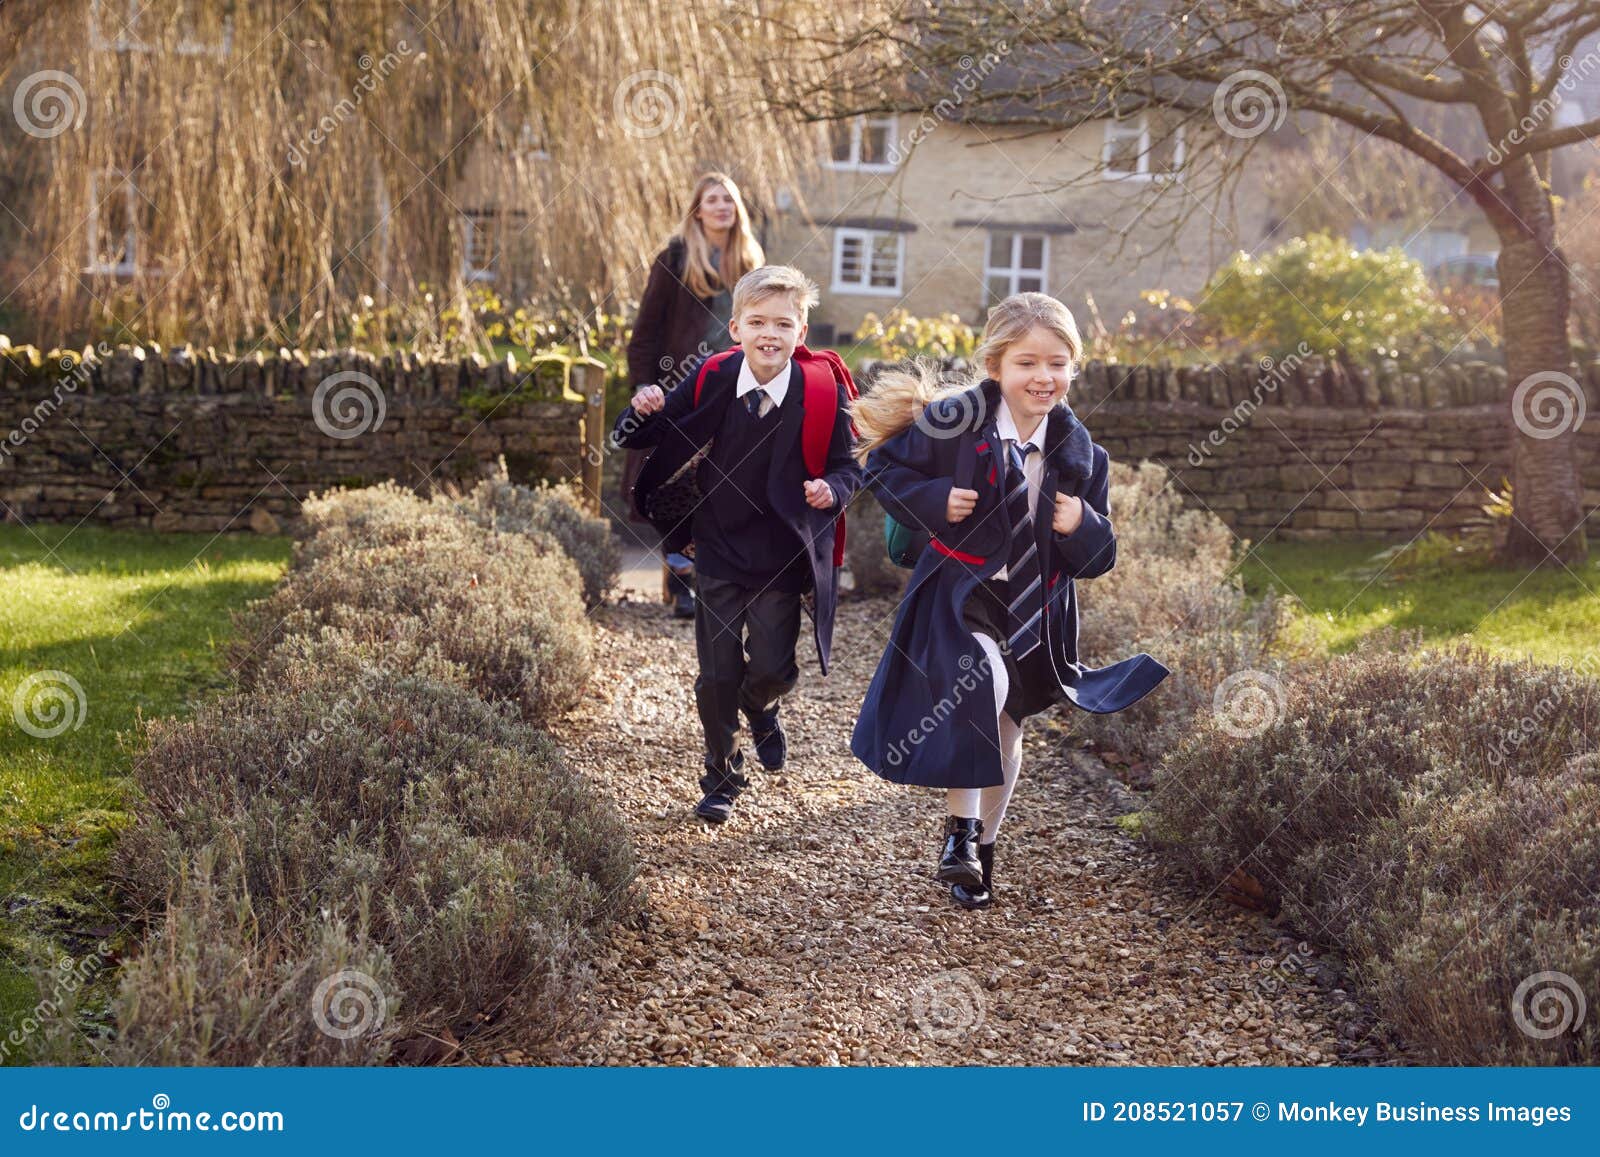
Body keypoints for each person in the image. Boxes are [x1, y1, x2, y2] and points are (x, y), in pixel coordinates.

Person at [849, 292, 1169, 909]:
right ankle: (959, 837)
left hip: (1036, 610)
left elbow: (1099, 562)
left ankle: (981, 855)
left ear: (1073, 367)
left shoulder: (1082, 457)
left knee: (1007, 726)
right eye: (1027, 363)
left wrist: (1085, 526)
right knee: (982, 680)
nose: (1042, 377)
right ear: (995, 366)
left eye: (1057, 363)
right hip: (960, 594)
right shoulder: (957, 421)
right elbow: (885, 469)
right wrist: (936, 498)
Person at [613, 266, 863, 823]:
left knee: (773, 667)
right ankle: (722, 776)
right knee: (717, 673)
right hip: (717, 547)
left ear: (802, 331)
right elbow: (643, 434)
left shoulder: (822, 391)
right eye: (757, 322)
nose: (769, 334)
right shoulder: (711, 376)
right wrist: (642, 409)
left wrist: (832, 489)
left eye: (783, 323)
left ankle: (762, 705)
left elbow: (851, 467)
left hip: (782, 553)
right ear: (735, 328)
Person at [624, 172, 765, 617]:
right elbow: (645, 331)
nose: (722, 206)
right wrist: (646, 384)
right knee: (675, 479)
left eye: (729, 199)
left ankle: (706, 578)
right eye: (712, 199)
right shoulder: (674, 259)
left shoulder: (751, 263)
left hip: (735, 385)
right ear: (697, 209)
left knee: (719, 481)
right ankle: (683, 584)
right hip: (681, 383)